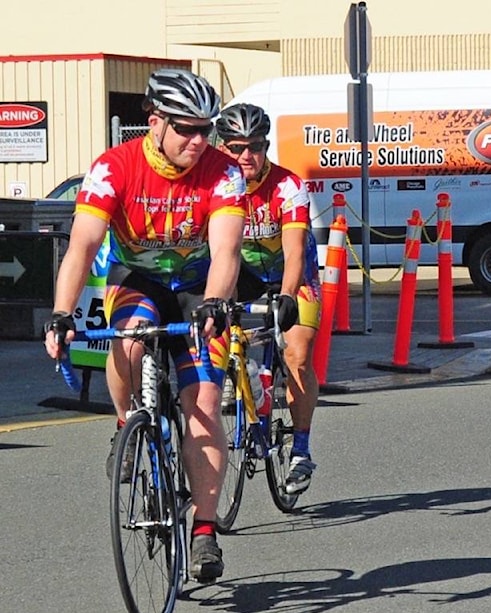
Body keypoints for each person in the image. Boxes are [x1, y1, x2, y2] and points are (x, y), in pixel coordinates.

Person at [43, 68, 245, 584]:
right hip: (138, 277)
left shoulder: (223, 172)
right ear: (155, 123)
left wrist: (217, 302)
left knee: (201, 403)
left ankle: (203, 532)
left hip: (200, 284)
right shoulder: (114, 168)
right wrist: (62, 313)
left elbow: (226, 249)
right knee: (130, 341)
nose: (200, 140)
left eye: (208, 129)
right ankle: (125, 425)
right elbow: (83, 244)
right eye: (186, 129)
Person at [215, 103, 322, 494]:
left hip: (292, 275)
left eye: (256, 146)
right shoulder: (217, 185)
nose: (247, 156)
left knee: (297, 355)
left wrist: (289, 297)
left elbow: (294, 251)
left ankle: (301, 450)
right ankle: (243, 380)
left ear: (266, 146)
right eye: (236, 147)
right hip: (243, 273)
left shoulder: (287, 186)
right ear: (222, 147)